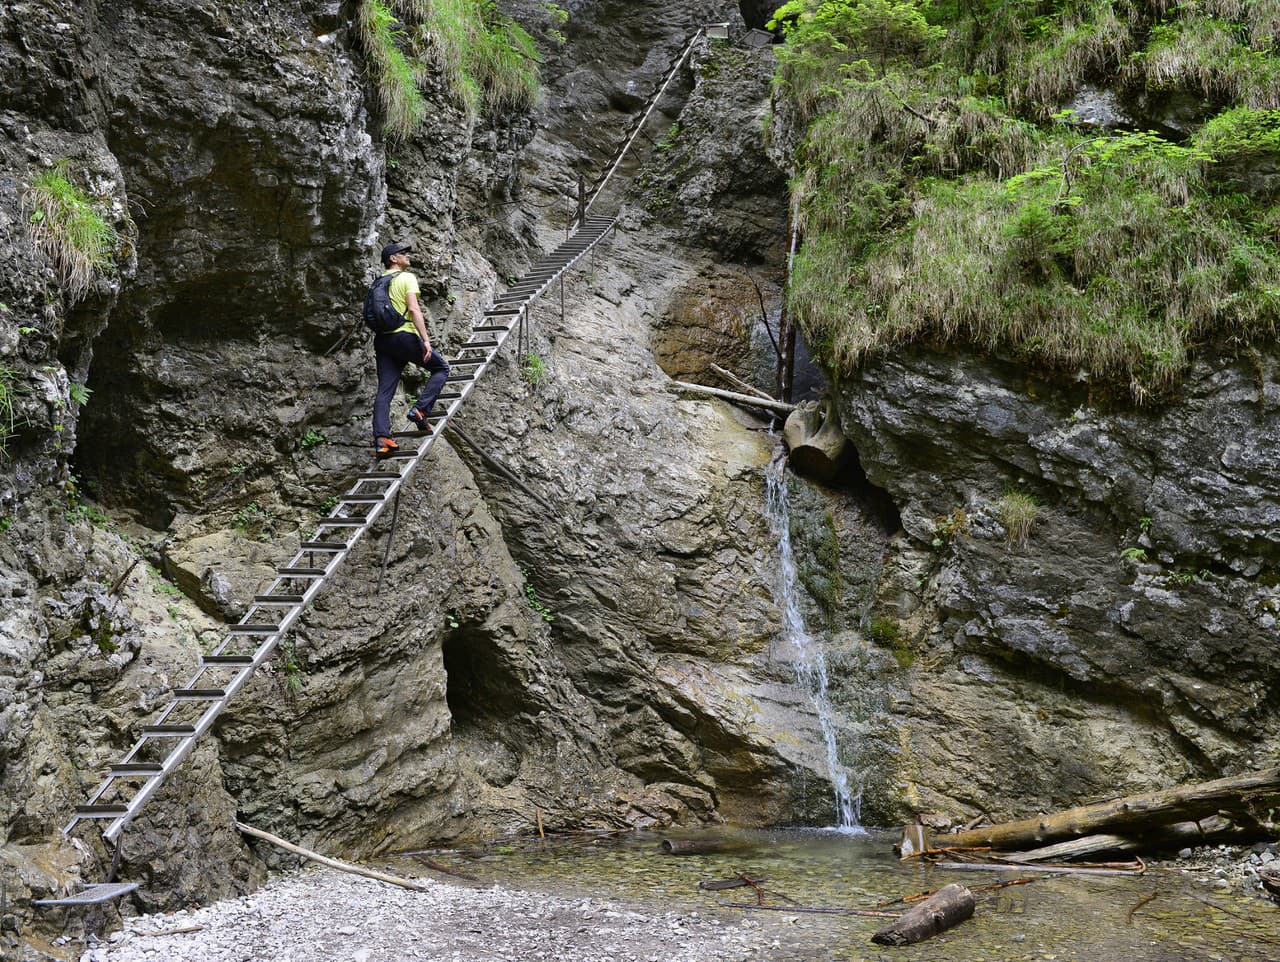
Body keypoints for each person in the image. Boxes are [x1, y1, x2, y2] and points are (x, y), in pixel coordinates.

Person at [371, 241, 450, 459]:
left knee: (385, 391)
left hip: (383, 341)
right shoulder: (406, 278)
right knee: (441, 368)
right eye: (402, 253)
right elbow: (414, 310)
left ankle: (382, 439)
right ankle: (421, 410)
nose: (407, 255)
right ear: (393, 259)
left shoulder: (378, 282)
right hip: (403, 336)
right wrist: (426, 340)